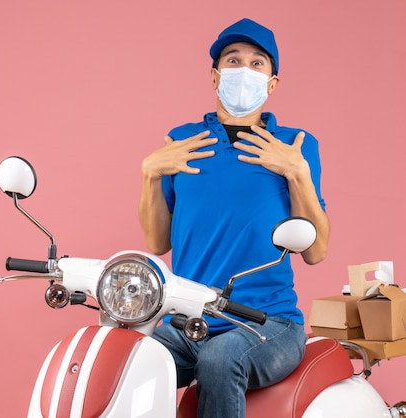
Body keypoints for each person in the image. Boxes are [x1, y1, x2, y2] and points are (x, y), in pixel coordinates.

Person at [138, 18, 329, 418]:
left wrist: (297, 172)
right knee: (128, 357)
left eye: (257, 63)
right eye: (233, 60)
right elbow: (158, 243)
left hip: (268, 322)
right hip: (189, 319)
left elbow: (316, 251)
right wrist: (149, 172)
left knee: (221, 358)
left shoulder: (295, 145)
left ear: (272, 82)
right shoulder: (183, 141)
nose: (244, 70)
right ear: (215, 75)